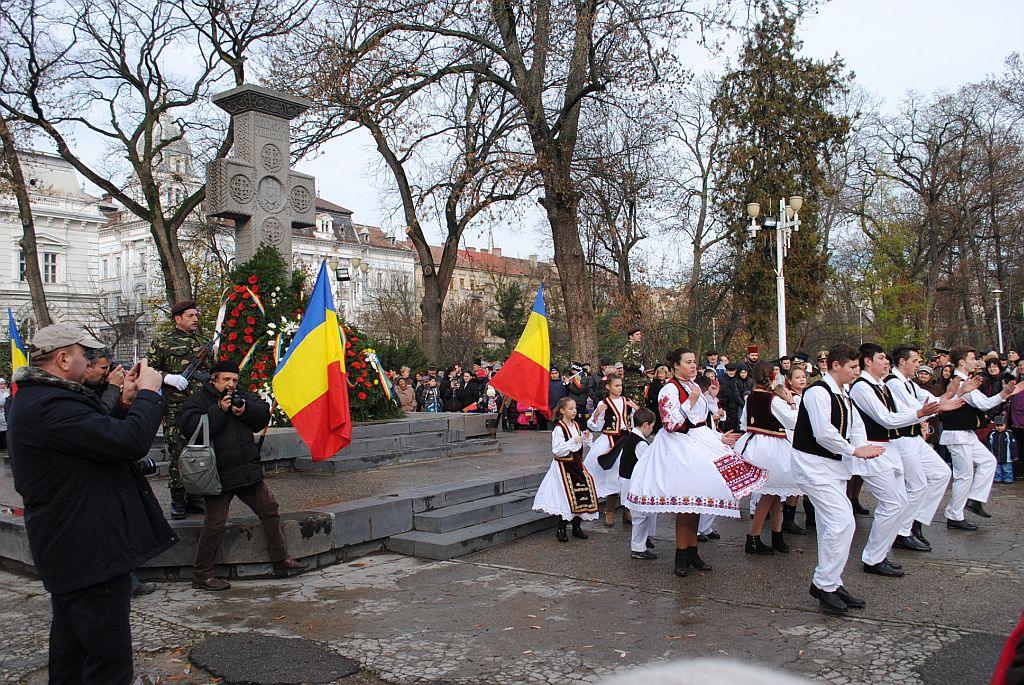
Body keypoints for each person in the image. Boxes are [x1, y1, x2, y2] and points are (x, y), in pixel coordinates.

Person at [8, 324, 175, 683]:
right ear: (63, 358)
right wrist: (149, 394)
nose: (90, 363)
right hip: (88, 550)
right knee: (106, 662)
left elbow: (93, 440)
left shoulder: (44, 399)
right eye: (85, 355)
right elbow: (129, 443)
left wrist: (126, 401)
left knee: (73, 654)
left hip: (73, 547)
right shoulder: (50, 405)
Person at [626, 348, 760, 578]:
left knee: (697, 502)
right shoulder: (669, 389)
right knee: (686, 505)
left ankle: (692, 552)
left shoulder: (694, 386)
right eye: (688, 362)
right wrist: (690, 402)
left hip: (698, 442)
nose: (692, 366)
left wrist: (719, 435)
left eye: (694, 361)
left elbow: (701, 422)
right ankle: (681, 555)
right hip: (678, 447)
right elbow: (670, 423)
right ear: (676, 365)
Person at [179, 360, 306, 590]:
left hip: (247, 471)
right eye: (226, 379)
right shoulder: (198, 401)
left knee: (269, 510)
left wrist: (244, 409)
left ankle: (281, 561)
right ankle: (202, 574)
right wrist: (219, 410)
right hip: (218, 474)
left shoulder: (242, 396)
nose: (231, 384)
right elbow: (191, 428)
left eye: (235, 380)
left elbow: (262, 416)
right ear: (213, 379)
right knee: (215, 523)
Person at [791, 343, 885, 616]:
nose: (857, 372)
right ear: (835, 366)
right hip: (813, 466)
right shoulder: (817, 392)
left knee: (830, 526)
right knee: (842, 522)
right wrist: (854, 450)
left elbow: (855, 426)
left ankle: (832, 581)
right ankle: (824, 584)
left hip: (833, 467)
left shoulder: (843, 394)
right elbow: (823, 433)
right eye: (853, 367)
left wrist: (861, 446)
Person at [849, 343, 947, 576]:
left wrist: (936, 407)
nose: (886, 362)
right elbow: (886, 419)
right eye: (881, 358)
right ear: (868, 361)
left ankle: (879, 555)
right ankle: (873, 558)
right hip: (872, 448)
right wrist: (920, 414)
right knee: (892, 503)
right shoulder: (862, 388)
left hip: (888, 448)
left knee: (900, 502)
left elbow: (901, 413)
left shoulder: (880, 385)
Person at [884, 344, 959, 552]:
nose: (918, 365)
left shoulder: (909, 383)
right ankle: (902, 532)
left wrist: (951, 395)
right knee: (917, 485)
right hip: (901, 438)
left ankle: (915, 521)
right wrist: (940, 405)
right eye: (915, 361)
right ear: (902, 361)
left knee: (942, 473)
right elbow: (915, 409)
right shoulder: (893, 383)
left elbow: (931, 401)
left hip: (914, 437)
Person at [941, 346, 1023, 529]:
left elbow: (982, 403)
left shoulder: (966, 379)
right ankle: (954, 515)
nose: (975, 361)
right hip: (957, 434)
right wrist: (1005, 394)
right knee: (964, 475)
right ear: (962, 362)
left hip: (966, 432)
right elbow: (983, 404)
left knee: (988, 461)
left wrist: (1006, 393)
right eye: (972, 358)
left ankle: (975, 500)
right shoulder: (960, 381)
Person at [149, 299, 211, 520]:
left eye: (196, 315)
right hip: (176, 407)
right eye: (190, 316)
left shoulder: (203, 343)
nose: (195, 319)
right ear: (177, 319)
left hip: (201, 407)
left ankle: (196, 496)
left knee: (198, 450)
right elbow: (149, 371)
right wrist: (169, 378)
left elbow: (212, 374)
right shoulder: (162, 343)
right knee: (178, 451)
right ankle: (178, 499)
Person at [735, 361, 802, 556]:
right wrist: (791, 401)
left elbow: (744, 422)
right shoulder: (774, 399)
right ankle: (753, 537)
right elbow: (793, 421)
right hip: (773, 448)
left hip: (756, 444)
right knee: (769, 493)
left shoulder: (750, 397)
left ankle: (777, 534)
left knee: (774, 493)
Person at [532, 397, 598, 542]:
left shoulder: (575, 425)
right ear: (562, 411)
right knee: (564, 497)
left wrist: (585, 439)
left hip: (576, 464)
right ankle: (561, 528)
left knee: (582, 491)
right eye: (570, 409)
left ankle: (576, 526)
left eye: (575, 408)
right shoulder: (559, 428)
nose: (574, 411)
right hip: (562, 467)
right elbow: (557, 450)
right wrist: (573, 441)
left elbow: (581, 446)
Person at [584, 373, 636, 526]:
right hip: (610, 441)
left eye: (621, 385)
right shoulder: (604, 403)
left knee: (628, 476)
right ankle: (609, 510)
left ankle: (627, 509)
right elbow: (596, 426)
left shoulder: (627, 402)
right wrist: (598, 413)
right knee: (612, 477)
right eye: (616, 386)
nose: (619, 388)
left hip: (626, 441)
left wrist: (636, 409)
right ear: (608, 387)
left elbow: (635, 420)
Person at [611, 407, 658, 559]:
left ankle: (644, 539)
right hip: (633, 483)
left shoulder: (632, 437)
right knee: (640, 516)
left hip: (629, 481)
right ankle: (638, 548)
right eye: (651, 426)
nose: (651, 430)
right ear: (645, 425)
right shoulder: (640, 443)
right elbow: (646, 464)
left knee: (646, 513)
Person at [621, 327, 647, 404]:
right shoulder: (628, 346)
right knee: (633, 405)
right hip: (631, 383)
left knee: (641, 405)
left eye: (640, 334)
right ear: (631, 336)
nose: (639, 336)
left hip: (639, 381)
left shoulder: (636, 346)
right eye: (637, 334)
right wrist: (638, 366)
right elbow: (625, 361)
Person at [990, 416, 1018, 484]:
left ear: (1005, 425)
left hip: (1007, 456)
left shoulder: (1008, 434)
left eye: (1001, 425)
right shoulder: (992, 434)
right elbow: (989, 444)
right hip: (995, 455)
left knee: (1007, 469)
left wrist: (1014, 455)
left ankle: (1008, 478)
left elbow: (1013, 445)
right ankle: (997, 478)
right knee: (997, 469)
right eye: (997, 426)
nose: (999, 428)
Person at [0, 377, 8, 451]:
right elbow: (2, 402)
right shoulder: (5, 392)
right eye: (1, 384)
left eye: (4, 384)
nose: (3, 386)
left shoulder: (5, 392)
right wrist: (6, 393)